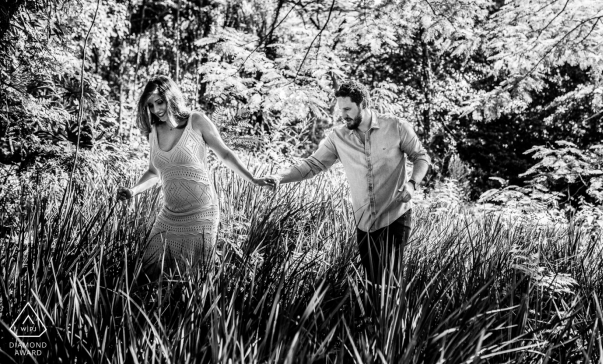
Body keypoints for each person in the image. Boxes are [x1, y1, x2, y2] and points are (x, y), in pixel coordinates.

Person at [266, 80, 430, 286]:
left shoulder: (396, 127)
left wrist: (412, 184)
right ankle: (373, 319)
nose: (342, 115)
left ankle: (395, 319)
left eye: (347, 109)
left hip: (394, 215)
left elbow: (421, 157)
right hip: (364, 223)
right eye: (340, 110)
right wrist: (279, 177)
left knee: (390, 285)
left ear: (363, 104)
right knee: (372, 284)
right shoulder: (338, 137)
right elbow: (312, 165)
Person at [116, 75, 273, 279]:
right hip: (170, 214)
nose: (156, 109)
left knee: (190, 277)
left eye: (160, 102)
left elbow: (224, 153)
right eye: (151, 105)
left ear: (171, 97)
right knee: (149, 269)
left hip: (202, 212)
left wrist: (252, 178)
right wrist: (132, 191)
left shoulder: (196, 121)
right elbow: (155, 172)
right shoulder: (154, 131)